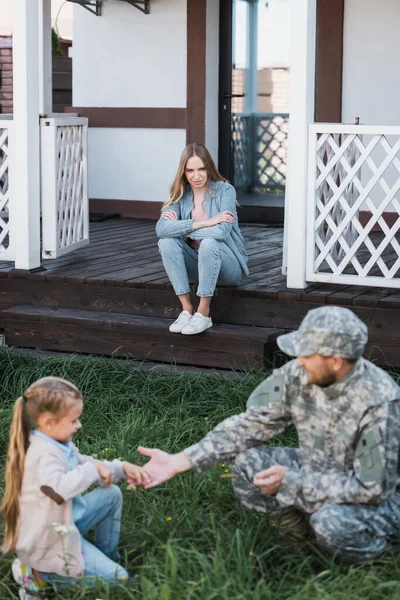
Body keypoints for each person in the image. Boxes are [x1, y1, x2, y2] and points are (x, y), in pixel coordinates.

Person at [138, 306, 400, 563]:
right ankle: (300, 541)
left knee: (332, 522)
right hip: (318, 468)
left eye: (306, 354)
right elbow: (251, 424)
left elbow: (372, 488)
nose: (298, 360)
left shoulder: (379, 402)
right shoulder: (299, 373)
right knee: (248, 464)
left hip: (381, 497)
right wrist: (181, 460)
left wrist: (293, 482)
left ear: (335, 361)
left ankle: (379, 558)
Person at [1, 376, 150, 600]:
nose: (79, 425)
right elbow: (58, 490)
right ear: (49, 422)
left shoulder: (59, 443)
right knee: (120, 580)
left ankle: (106, 556)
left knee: (111, 495)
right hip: (49, 542)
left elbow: (85, 464)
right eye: (73, 421)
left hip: (66, 522)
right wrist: (93, 469)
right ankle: (36, 573)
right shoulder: (42, 455)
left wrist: (123, 468)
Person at [156, 143, 248, 335]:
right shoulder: (180, 194)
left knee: (209, 243)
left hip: (228, 268)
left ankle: (203, 313)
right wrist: (204, 223)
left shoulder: (225, 191)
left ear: (209, 168)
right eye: (190, 170)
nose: (196, 176)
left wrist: (185, 231)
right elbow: (161, 229)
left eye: (201, 169)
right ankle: (187, 309)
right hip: (198, 268)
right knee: (166, 242)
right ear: (184, 172)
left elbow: (221, 232)